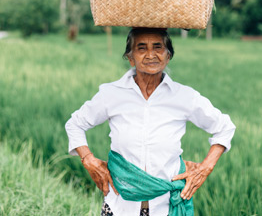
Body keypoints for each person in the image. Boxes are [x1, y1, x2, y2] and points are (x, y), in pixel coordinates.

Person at [66, 28, 236, 216]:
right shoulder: (112, 94)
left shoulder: (184, 96)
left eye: (158, 47)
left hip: (165, 206)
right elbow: (75, 124)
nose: (151, 55)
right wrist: (88, 159)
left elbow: (224, 128)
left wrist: (204, 169)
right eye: (141, 48)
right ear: (131, 58)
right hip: (120, 205)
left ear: (168, 55)